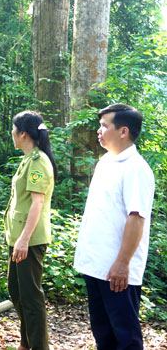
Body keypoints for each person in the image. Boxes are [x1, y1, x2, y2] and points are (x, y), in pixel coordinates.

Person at [74, 104, 154, 349]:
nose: (99, 131)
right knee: (103, 333)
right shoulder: (106, 162)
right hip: (96, 265)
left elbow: (136, 218)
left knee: (125, 336)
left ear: (123, 131)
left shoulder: (136, 169)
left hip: (117, 270)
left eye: (104, 126)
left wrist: (122, 263)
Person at [4, 110, 56, 350]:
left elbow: (37, 203)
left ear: (22, 133)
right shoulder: (28, 158)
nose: (11, 134)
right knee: (16, 290)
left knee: (31, 297)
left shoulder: (38, 162)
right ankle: (26, 343)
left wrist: (24, 240)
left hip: (30, 240)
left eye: (14, 130)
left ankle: (38, 346)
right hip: (18, 238)